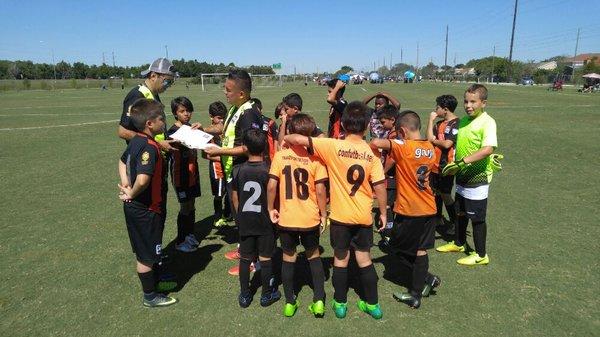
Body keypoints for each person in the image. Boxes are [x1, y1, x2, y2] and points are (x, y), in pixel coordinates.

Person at [285, 101, 387, 320]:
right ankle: (373, 305)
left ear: (344, 124)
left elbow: (295, 138)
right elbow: (379, 186)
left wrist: (288, 136)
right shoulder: (371, 154)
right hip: (363, 216)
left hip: (340, 216)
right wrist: (384, 213)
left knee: (340, 259)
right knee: (365, 260)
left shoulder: (332, 145)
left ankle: (340, 304)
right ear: (367, 126)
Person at [370, 111, 441, 309]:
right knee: (420, 249)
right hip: (429, 207)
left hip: (410, 210)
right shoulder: (430, 146)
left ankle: (425, 279)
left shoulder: (404, 146)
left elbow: (376, 142)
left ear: (401, 131)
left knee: (397, 248)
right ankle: (418, 291)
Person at [267, 114, 328, 318]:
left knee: (288, 258)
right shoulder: (316, 159)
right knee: (313, 256)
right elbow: (321, 191)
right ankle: (319, 300)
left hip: (287, 218)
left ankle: (290, 302)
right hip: (309, 217)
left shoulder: (280, 156)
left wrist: (270, 208)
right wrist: (324, 214)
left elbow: (272, 186)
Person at [117, 98, 177, 307]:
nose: (164, 122)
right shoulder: (150, 147)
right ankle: (150, 296)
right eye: (161, 119)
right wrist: (131, 192)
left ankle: (156, 283)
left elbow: (122, 161)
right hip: (145, 210)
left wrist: (125, 183)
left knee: (151, 250)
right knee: (146, 256)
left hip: (141, 208)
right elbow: (143, 180)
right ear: (150, 123)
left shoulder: (136, 140)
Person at [436, 84, 500, 266]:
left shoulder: (488, 122)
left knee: (477, 218)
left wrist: (462, 163)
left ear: (483, 103)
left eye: (473, 102)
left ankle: (481, 255)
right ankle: (459, 243)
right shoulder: (463, 121)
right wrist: (455, 165)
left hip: (478, 178)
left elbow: (487, 148)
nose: (468, 105)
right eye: (466, 101)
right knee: (460, 212)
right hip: (462, 177)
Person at [232, 129, 281, 308]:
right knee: (266, 258)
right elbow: (274, 195)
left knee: (245, 258)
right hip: (265, 221)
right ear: (265, 147)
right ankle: (266, 295)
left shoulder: (238, 170)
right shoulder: (269, 170)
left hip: (246, 221)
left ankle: (245, 295)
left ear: (244, 147)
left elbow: (235, 197)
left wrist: (240, 217)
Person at [117, 58, 178, 152]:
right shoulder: (136, 95)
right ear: (153, 76)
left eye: (172, 82)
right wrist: (158, 144)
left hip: (154, 154)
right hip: (142, 158)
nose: (169, 85)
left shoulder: (153, 94)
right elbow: (123, 132)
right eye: (167, 81)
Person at [166, 97, 201, 253]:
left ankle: (190, 235)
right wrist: (197, 133)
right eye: (182, 111)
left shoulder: (190, 127)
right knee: (184, 206)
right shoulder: (173, 131)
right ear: (175, 113)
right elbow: (186, 141)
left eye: (188, 110)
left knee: (192, 204)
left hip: (193, 172)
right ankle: (180, 240)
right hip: (181, 174)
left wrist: (200, 130)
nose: (186, 114)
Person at [426, 95, 459, 235]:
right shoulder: (439, 124)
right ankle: (438, 218)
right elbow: (429, 139)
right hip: (435, 165)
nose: (435, 109)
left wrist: (434, 141)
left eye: (437, 107)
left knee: (446, 194)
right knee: (436, 193)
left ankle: (455, 223)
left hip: (447, 166)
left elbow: (447, 144)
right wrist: (431, 120)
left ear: (445, 109)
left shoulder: (457, 123)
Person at [374, 106, 400, 248]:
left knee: (388, 205)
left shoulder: (395, 135)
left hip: (391, 175)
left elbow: (393, 158)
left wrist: (383, 172)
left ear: (392, 120)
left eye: (383, 122)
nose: (382, 125)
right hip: (394, 175)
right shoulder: (393, 132)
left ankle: (389, 235)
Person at [204, 101, 231, 227]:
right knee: (219, 194)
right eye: (219, 118)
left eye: (223, 118)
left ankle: (227, 214)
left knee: (230, 192)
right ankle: (217, 217)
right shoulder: (208, 133)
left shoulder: (225, 129)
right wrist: (224, 157)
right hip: (217, 169)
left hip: (228, 167)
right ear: (211, 116)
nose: (222, 121)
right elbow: (206, 155)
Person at [250, 98, 278, 162]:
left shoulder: (270, 122)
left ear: (261, 110)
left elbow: (276, 140)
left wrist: (276, 158)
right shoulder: (247, 122)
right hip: (253, 160)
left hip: (269, 160)